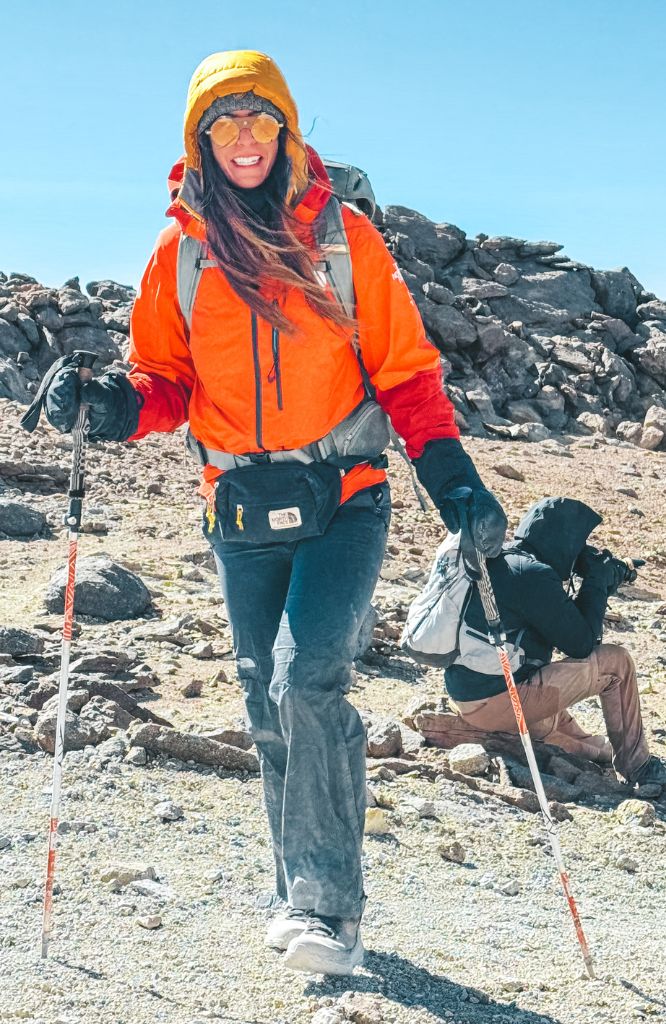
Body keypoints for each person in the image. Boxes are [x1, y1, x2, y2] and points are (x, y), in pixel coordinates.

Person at [37, 50, 506, 975]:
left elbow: (407, 374)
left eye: (261, 120)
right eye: (225, 123)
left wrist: (453, 479)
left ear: (286, 131)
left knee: (308, 682)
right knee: (264, 701)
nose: (246, 138)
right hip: (240, 510)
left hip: (346, 497)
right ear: (200, 142)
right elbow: (164, 384)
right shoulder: (179, 255)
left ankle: (330, 910)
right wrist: (110, 407)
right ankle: (299, 895)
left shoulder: (344, 239)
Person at [447, 496, 666, 790]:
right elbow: (581, 644)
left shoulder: (507, 560)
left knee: (588, 747)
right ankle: (638, 765)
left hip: (470, 697)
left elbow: (559, 622)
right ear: (562, 539)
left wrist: (601, 580)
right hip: (502, 702)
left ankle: (601, 753)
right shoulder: (533, 575)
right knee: (616, 663)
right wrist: (597, 582)